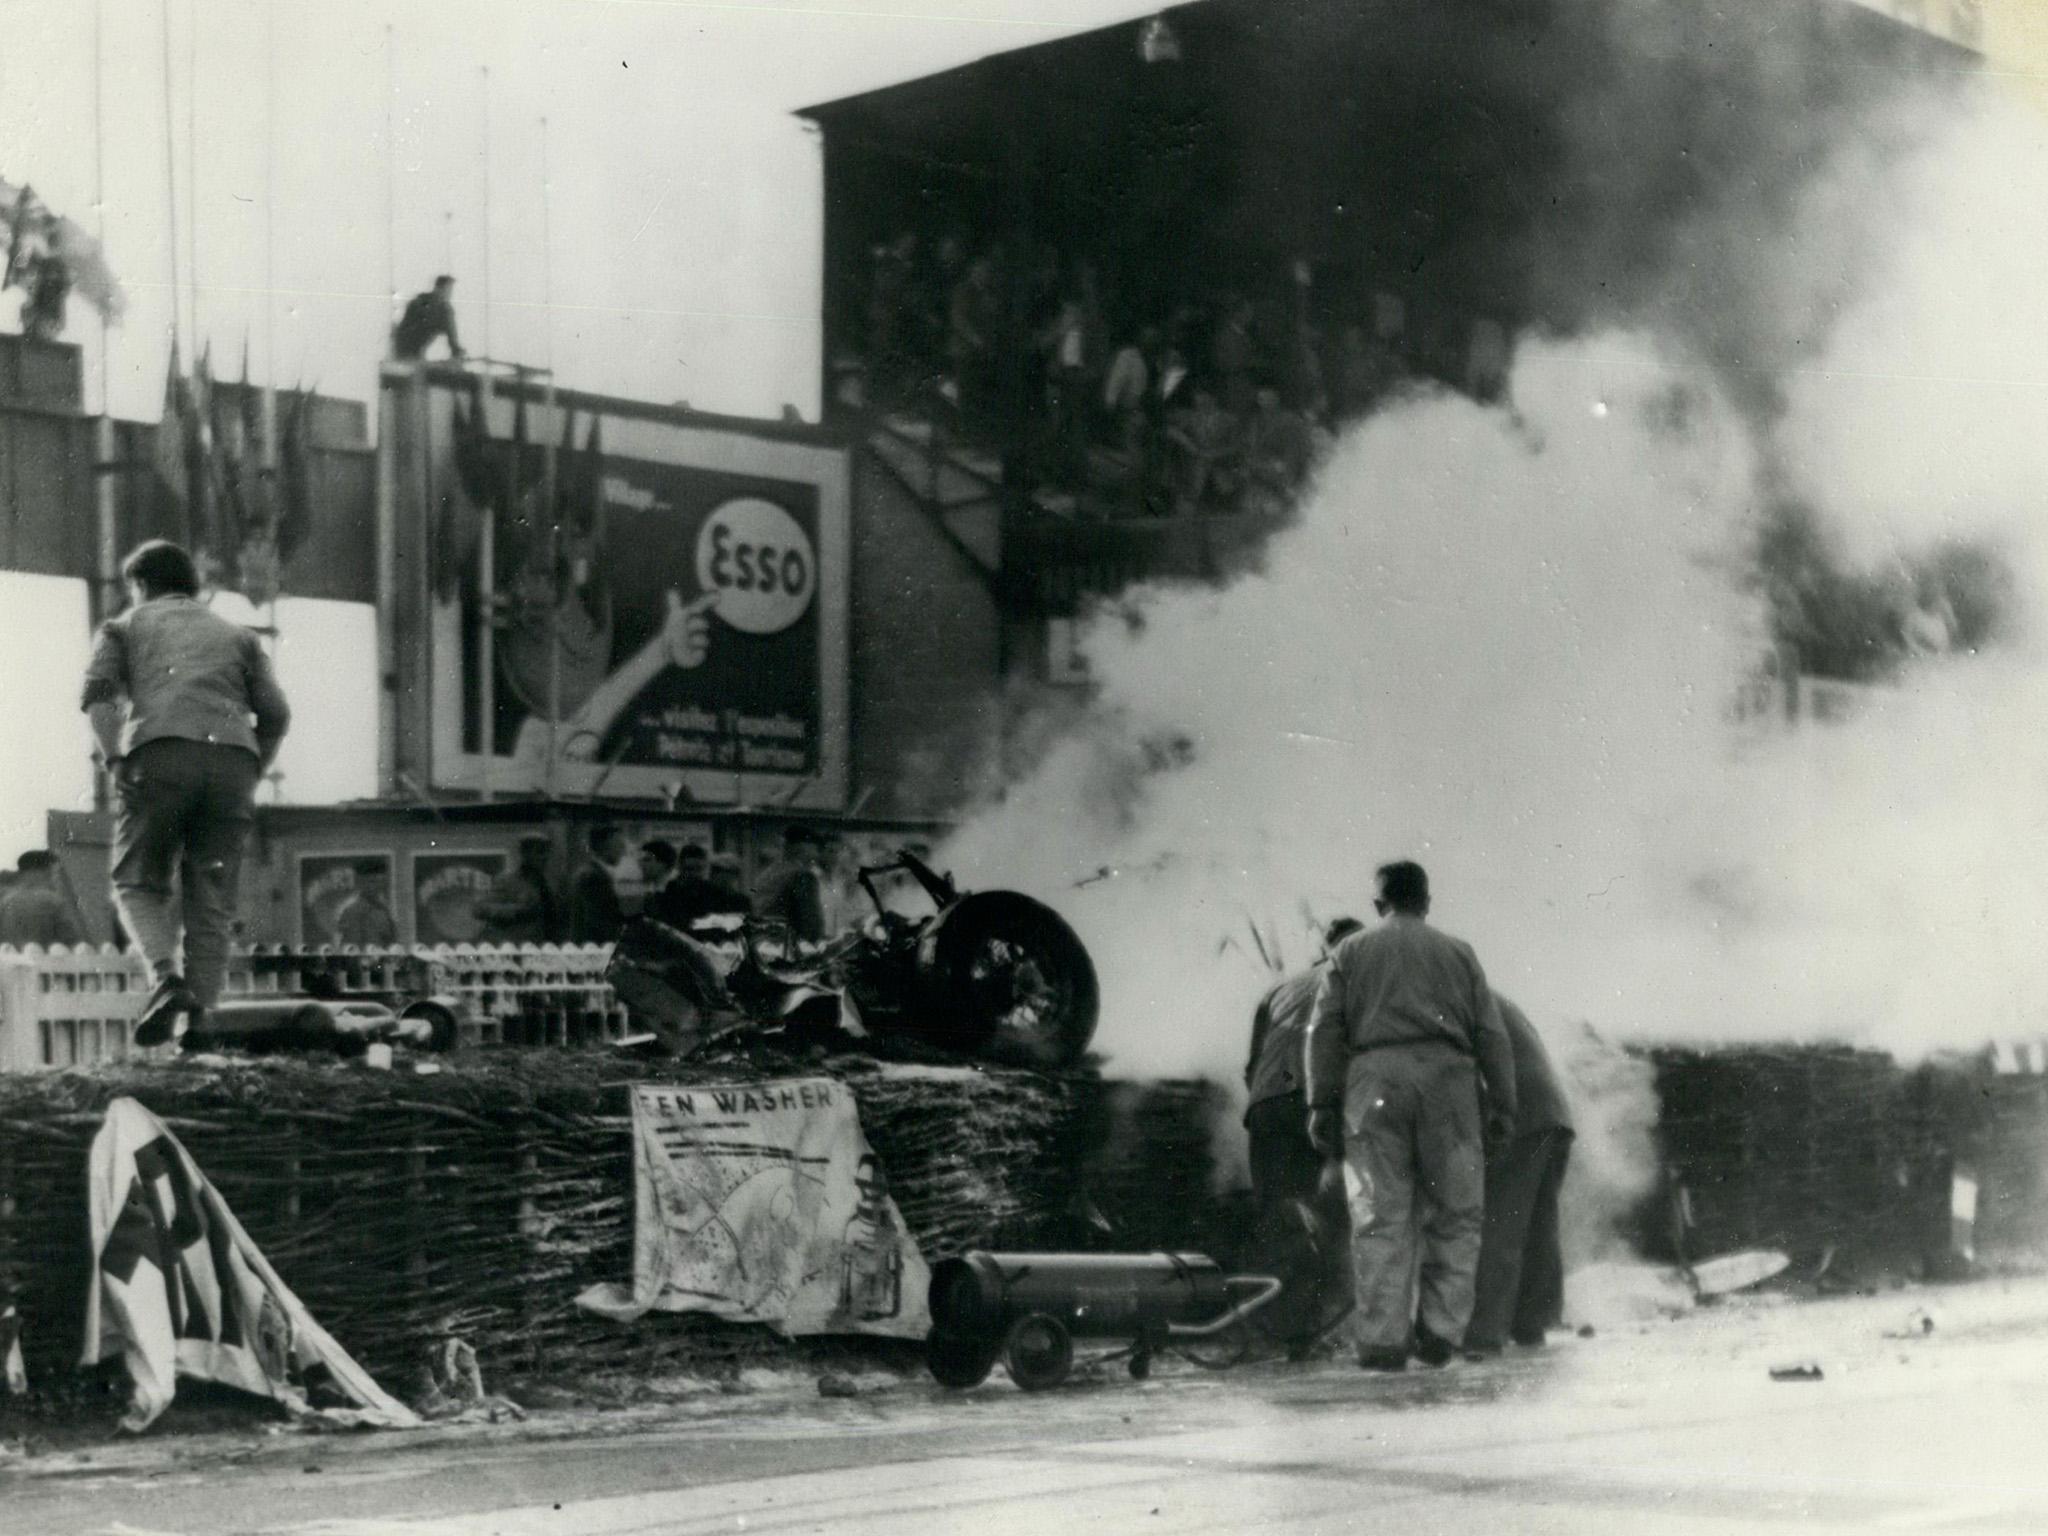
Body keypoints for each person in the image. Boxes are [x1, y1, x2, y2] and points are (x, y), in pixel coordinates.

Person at [1304, 860, 1516, 1371]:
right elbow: (1491, 1034)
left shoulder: (1349, 952)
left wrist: (1320, 1103)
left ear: (1379, 905)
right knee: (1458, 1212)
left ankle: (1381, 1341)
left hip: (1374, 1079)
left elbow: (1323, 1032)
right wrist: (1504, 1103)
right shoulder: (1459, 953)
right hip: (1450, 1080)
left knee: (1380, 1213)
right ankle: (1441, 1332)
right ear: (1426, 900)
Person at [81, 539, 291, 1045]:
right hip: (234, 761)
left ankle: (165, 980)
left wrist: (115, 759)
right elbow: (278, 714)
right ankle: (200, 1025)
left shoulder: (123, 627)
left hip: (160, 753)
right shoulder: (238, 636)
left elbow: (97, 700)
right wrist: (251, 768)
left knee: (136, 882)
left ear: (140, 586)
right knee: (211, 897)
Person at [1244, 916, 1364, 1358]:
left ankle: (1283, 1332)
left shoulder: (1279, 988)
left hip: (1266, 1106)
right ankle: (1324, 1330)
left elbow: (1250, 1066)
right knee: (1335, 1215)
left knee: (1281, 1217)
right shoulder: (1355, 981)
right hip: (1319, 1103)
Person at [1465, 993, 1576, 1356]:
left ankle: (1484, 1333)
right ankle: (1533, 1323)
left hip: (1522, 1116)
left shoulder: (1455, 1000)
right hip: (1553, 1114)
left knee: (1501, 1223)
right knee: (1538, 1224)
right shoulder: (1493, 997)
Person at [477, 837, 561, 944]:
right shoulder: (507, 881)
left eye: (546, 853)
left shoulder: (551, 883)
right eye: (539, 852)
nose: (544, 858)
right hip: (516, 946)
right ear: (526, 854)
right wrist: (517, 910)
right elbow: (480, 909)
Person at [755, 826, 830, 945]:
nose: (817, 855)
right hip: (791, 949)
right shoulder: (803, 876)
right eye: (816, 849)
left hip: (765, 946)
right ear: (804, 848)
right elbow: (810, 923)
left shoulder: (768, 873)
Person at [0, 851, 85, 948]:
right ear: (41, 872)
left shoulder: (4, 901)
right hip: (46, 961)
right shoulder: (53, 902)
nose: (53, 878)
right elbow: (74, 942)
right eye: (52, 873)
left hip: (8, 961)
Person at [567, 825, 627, 945]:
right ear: (604, 846)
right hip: (594, 948)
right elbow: (599, 921)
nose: (623, 850)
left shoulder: (596, 873)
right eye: (619, 844)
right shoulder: (593, 877)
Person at [392, 275, 464, 362]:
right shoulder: (444, 309)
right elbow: (452, 336)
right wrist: (457, 351)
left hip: (402, 348)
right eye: (448, 290)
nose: (449, 294)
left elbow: (401, 329)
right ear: (439, 288)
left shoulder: (417, 301)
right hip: (409, 349)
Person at [331, 863, 399, 947]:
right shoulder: (349, 911)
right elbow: (342, 944)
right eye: (372, 882)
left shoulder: (385, 911)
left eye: (381, 882)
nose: (377, 886)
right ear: (362, 883)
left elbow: (392, 942)